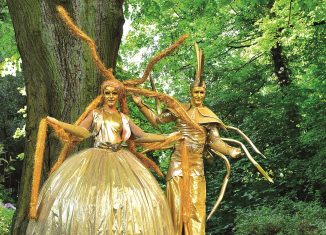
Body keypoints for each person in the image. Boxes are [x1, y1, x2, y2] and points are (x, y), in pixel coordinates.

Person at [27, 79, 175, 235]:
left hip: (120, 159)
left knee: (121, 198)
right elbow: (82, 131)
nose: (111, 96)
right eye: (107, 93)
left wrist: (166, 137)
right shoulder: (96, 113)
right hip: (96, 158)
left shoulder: (124, 118)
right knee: (94, 196)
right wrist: (60, 123)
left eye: (114, 93)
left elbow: (141, 136)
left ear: (119, 96)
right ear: (103, 95)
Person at [132, 44, 243, 234]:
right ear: (190, 93)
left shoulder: (208, 115)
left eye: (202, 92)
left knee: (195, 207)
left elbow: (215, 141)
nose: (199, 96)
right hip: (177, 164)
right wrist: (141, 105)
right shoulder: (179, 109)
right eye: (196, 92)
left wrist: (230, 150)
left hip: (196, 166)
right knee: (175, 206)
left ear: (205, 94)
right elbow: (158, 121)